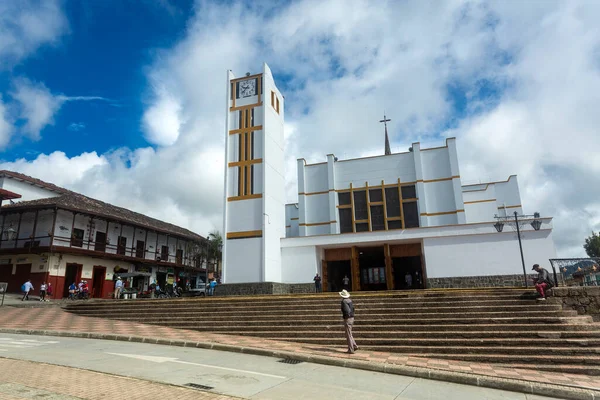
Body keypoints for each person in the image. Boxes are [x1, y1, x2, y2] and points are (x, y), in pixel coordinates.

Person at [339, 289, 358, 354]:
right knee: (350, 333)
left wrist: (346, 318)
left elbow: (347, 311)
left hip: (348, 318)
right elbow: (353, 309)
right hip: (352, 318)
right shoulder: (350, 300)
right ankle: (354, 345)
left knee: (348, 335)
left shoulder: (344, 301)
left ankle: (351, 349)